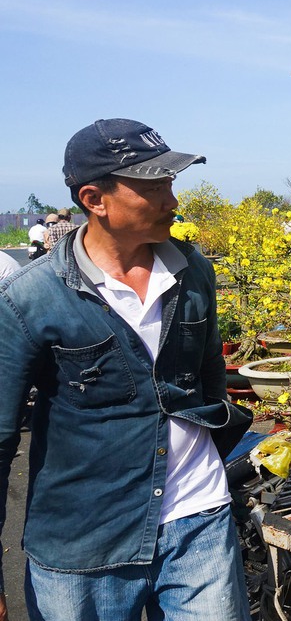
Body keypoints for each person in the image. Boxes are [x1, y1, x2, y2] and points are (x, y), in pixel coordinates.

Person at [0, 118, 254, 620]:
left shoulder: (192, 271)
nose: (172, 202)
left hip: (198, 518)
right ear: (95, 199)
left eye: (171, 184)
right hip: (84, 539)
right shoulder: (30, 299)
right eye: (154, 187)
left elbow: (207, 376)